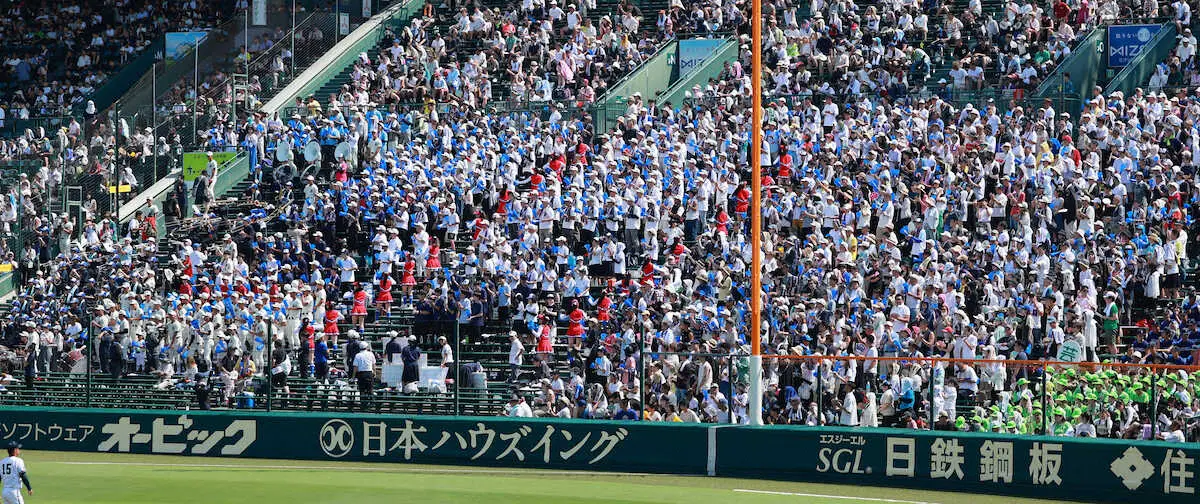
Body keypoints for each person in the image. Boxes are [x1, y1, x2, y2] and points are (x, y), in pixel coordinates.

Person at [353, 342, 377, 410]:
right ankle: (372, 404)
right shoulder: (370, 354)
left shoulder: (357, 355)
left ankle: (363, 405)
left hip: (361, 374)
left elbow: (355, 367)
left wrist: (353, 376)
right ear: (366, 347)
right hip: (369, 373)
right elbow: (374, 365)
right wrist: (374, 372)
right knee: (370, 389)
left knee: (362, 390)